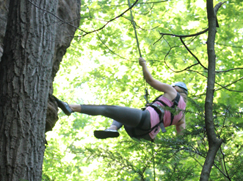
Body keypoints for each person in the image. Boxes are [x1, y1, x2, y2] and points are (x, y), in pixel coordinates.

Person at [55, 58, 187, 141]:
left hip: (145, 119)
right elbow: (180, 138)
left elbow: (150, 80)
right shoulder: (182, 117)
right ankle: (113, 128)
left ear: (176, 87)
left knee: (108, 109)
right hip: (145, 134)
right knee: (123, 115)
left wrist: (143, 65)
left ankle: (71, 107)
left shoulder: (172, 91)